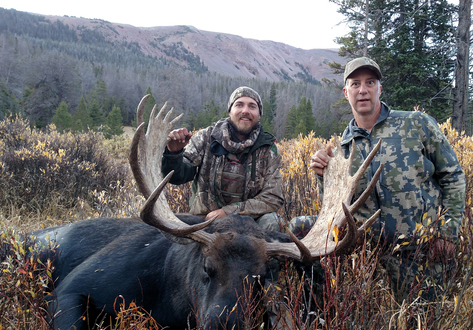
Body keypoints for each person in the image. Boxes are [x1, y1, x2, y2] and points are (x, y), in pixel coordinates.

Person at [311, 57, 466, 301]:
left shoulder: (416, 123)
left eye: (370, 82)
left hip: (421, 251)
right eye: (355, 84)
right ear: (345, 92)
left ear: (379, 89)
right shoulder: (345, 145)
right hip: (369, 254)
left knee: (422, 326)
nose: (363, 90)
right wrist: (323, 176)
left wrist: (448, 233)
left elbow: (453, 176)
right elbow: (338, 206)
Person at [161, 86, 284, 231]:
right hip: (204, 222)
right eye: (239, 104)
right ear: (230, 111)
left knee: (273, 222)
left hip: (249, 225)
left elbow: (273, 198)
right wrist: (173, 154)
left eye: (252, 106)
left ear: (259, 114)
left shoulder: (269, 149)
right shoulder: (206, 137)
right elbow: (177, 177)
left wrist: (228, 212)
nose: (245, 111)